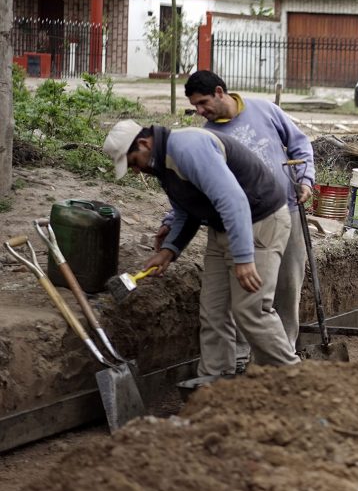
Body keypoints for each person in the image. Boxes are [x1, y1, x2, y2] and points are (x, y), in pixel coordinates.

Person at [103, 120, 300, 375]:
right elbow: (187, 210)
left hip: (259, 222)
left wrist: (242, 257)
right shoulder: (163, 164)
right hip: (223, 228)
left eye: (133, 162)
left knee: (250, 310)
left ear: (143, 144)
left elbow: (234, 200)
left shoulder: (188, 148)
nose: (134, 170)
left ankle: (294, 378)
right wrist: (169, 250)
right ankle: (214, 384)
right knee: (213, 312)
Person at [156, 71, 315, 364]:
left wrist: (305, 179)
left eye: (203, 103)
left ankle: (283, 353)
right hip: (244, 224)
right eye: (195, 107)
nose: (200, 111)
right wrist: (170, 221)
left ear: (219, 92)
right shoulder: (208, 135)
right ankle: (241, 359)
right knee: (247, 295)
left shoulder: (264, 109)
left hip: (286, 209)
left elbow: (300, 144)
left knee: (287, 286)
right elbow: (199, 187)